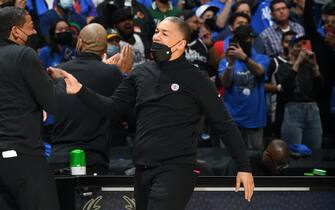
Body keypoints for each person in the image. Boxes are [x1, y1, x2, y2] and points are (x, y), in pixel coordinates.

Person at [48, 17, 254, 210]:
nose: (156, 36)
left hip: (176, 169)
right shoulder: (141, 72)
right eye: (156, 31)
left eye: (164, 33)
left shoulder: (197, 79)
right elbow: (113, 108)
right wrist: (80, 90)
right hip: (142, 169)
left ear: (181, 44)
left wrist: (244, 166)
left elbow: (223, 124)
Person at [0, 7, 65, 210]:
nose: (35, 32)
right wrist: (60, 82)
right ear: (15, 31)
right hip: (24, 153)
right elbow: (53, 102)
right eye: (31, 27)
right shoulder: (24, 54)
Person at [48, 23, 132, 175]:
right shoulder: (112, 73)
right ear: (105, 49)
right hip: (93, 159)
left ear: (79, 42)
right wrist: (122, 75)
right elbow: (124, 114)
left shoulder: (60, 70)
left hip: (58, 156)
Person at [219, 24, 269, 150]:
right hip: (232, 121)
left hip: (254, 121)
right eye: (239, 39)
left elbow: (260, 72)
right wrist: (230, 64)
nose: (242, 42)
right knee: (229, 161)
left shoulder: (262, 58)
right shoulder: (226, 60)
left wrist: (245, 58)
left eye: (245, 39)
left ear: (252, 39)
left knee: (255, 162)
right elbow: (225, 83)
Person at [280, 36, 323, 149]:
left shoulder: (311, 67)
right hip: (293, 110)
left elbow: (321, 89)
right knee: (293, 153)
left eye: (304, 46)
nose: (301, 50)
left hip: (313, 110)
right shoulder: (284, 66)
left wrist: (315, 66)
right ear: (291, 48)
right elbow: (285, 88)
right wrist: (297, 63)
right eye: (298, 46)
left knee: (315, 153)